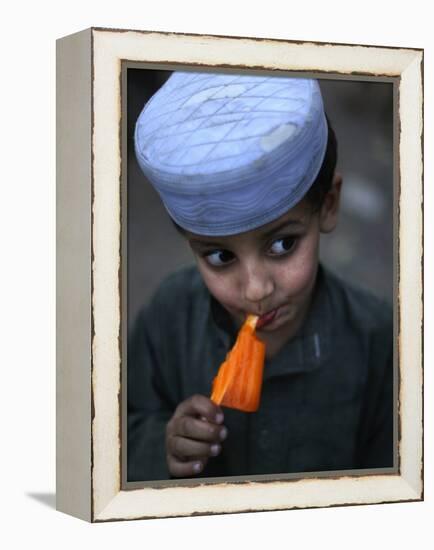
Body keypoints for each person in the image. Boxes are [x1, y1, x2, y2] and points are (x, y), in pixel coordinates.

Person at [128, 71, 393, 481]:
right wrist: (162, 444)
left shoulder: (378, 341)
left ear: (328, 206)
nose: (256, 290)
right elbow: (116, 426)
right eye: (219, 256)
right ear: (190, 246)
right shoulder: (168, 318)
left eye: (283, 245)